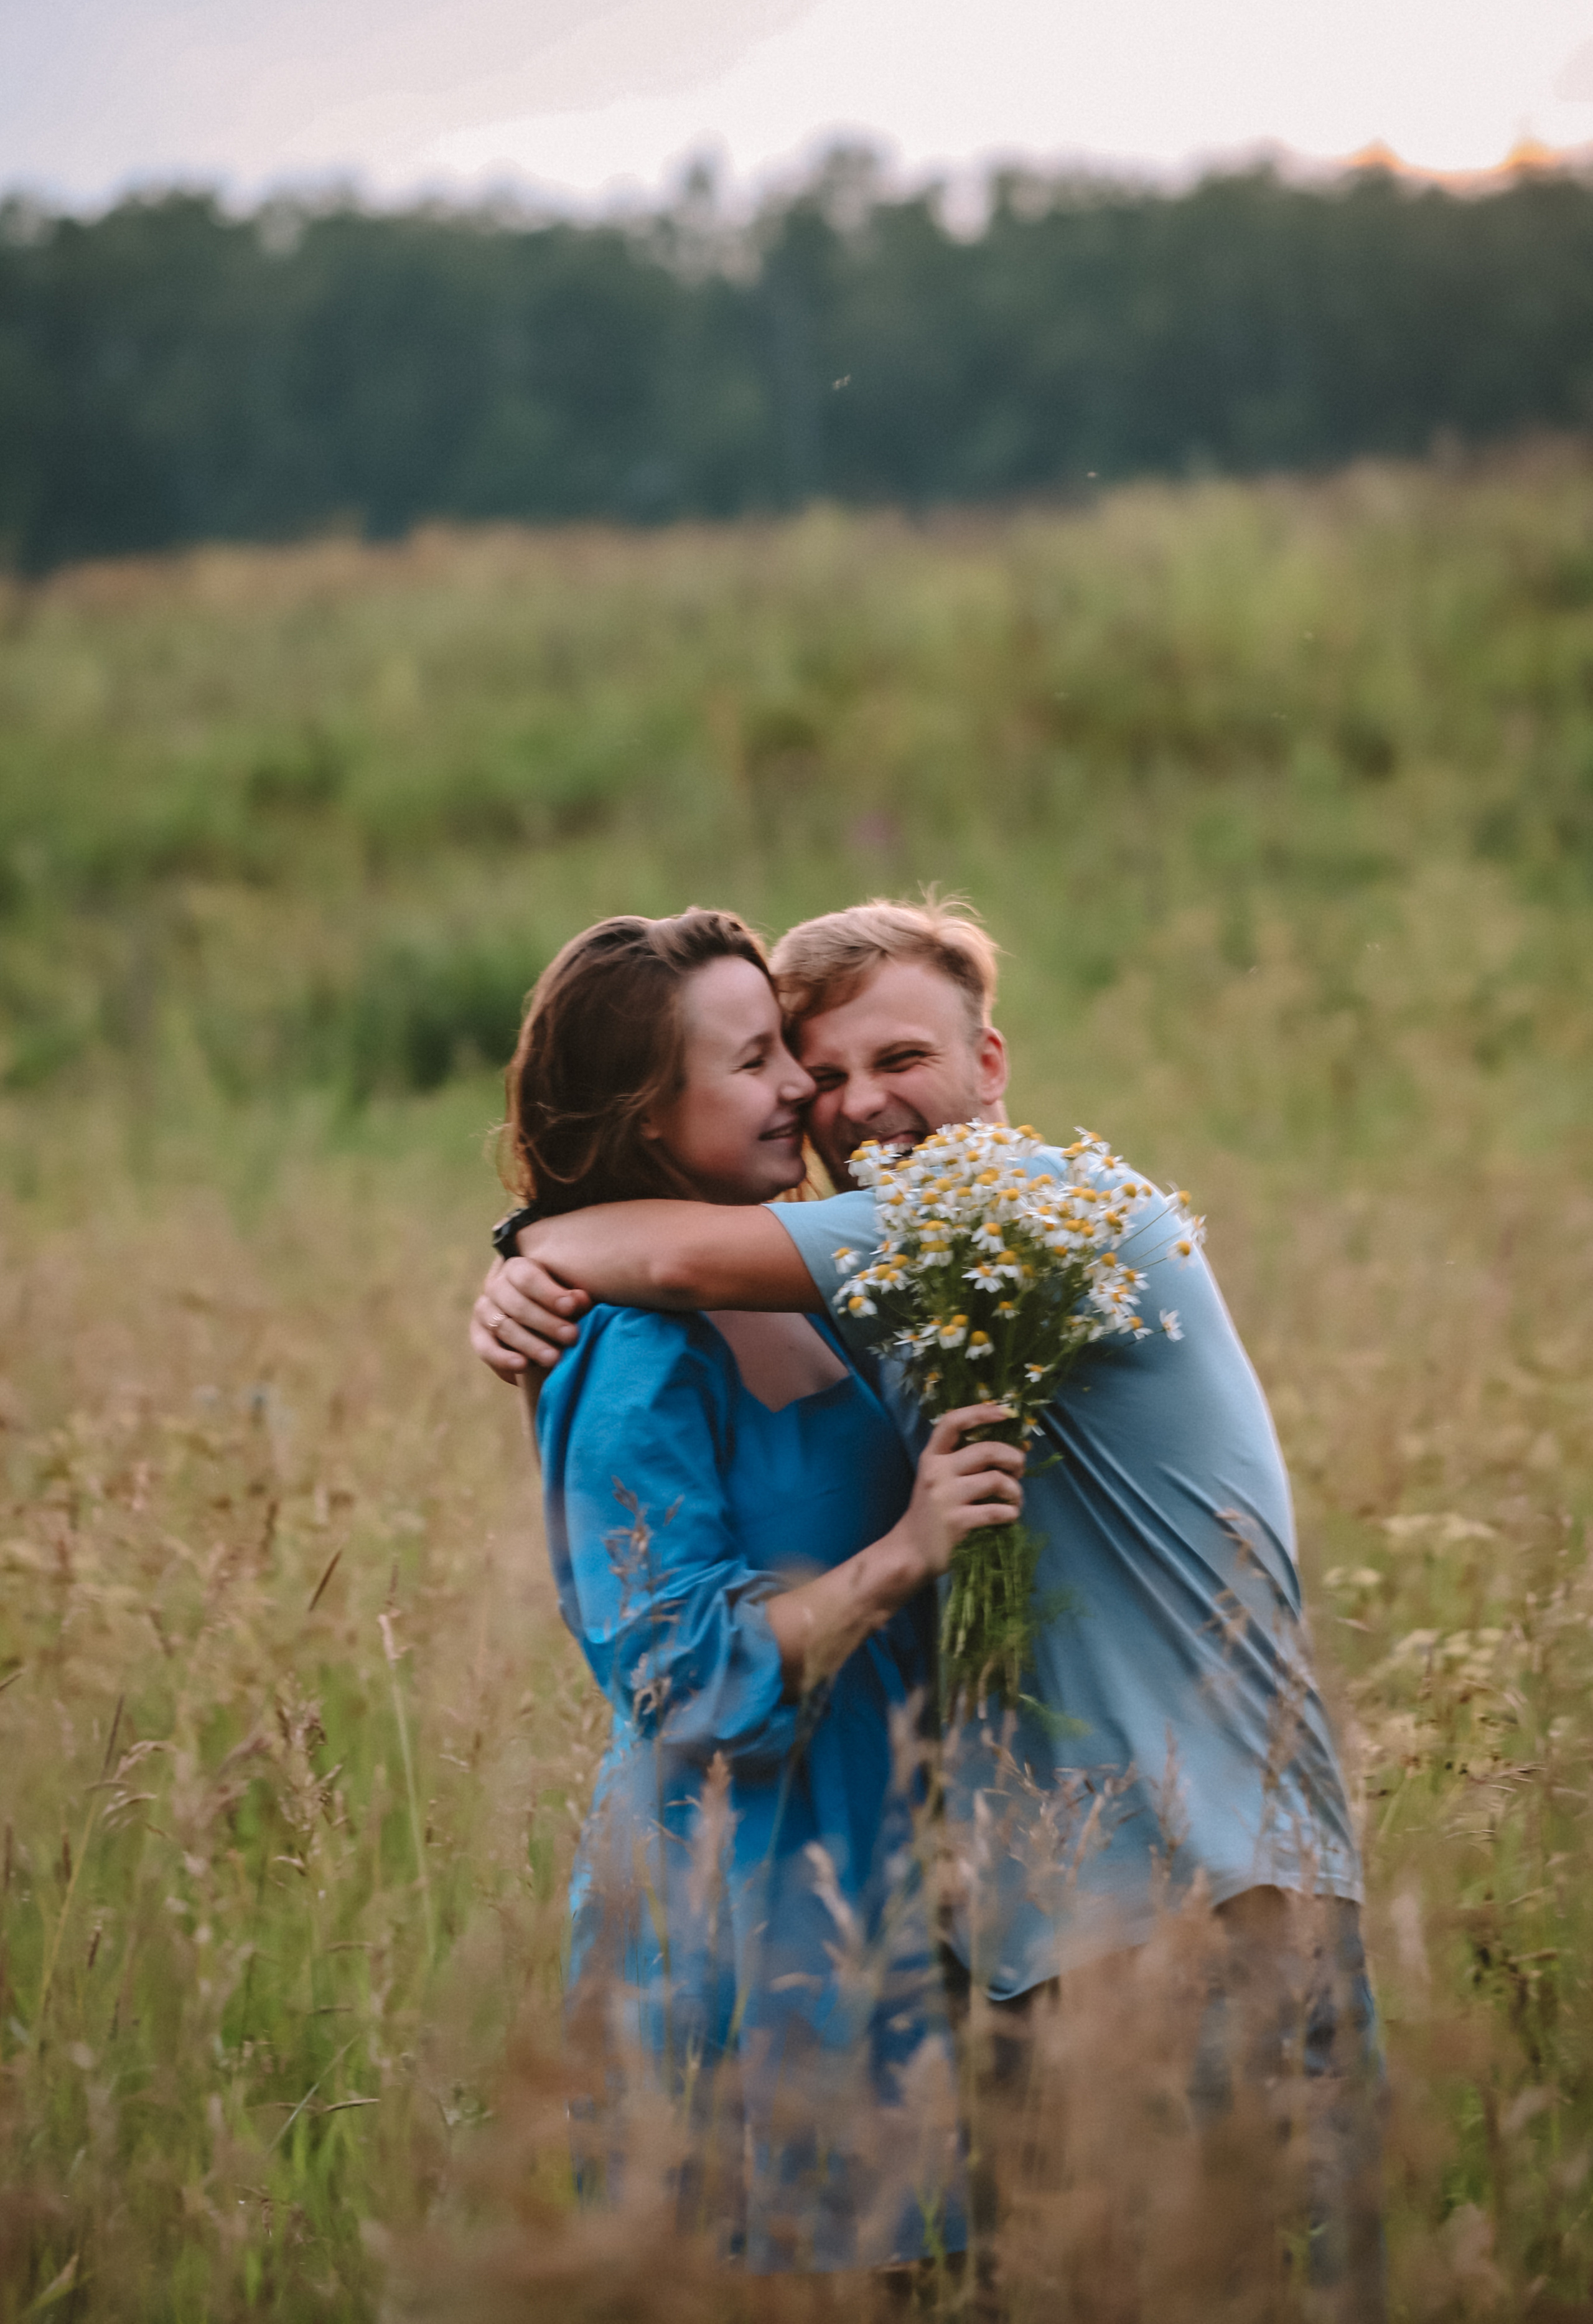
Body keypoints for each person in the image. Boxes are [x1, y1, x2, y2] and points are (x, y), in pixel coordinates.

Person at [474, 896, 1386, 2313]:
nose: (838, 1100)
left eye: (895, 1057)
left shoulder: (1018, 1222)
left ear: (993, 1059)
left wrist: (525, 1248)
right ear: (655, 1114)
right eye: (800, 1063)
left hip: (1206, 1895)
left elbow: (655, 1254)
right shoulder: (875, 1287)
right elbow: (668, 1644)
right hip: (913, 1930)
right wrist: (532, 1274)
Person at [495, 906, 1023, 2275]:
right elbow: (671, 1674)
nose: (804, 1085)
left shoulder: (810, 1272)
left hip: (886, 1859)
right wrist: (902, 1554)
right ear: (650, 1118)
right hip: (743, 1889)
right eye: (753, 1064)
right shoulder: (627, 1346)